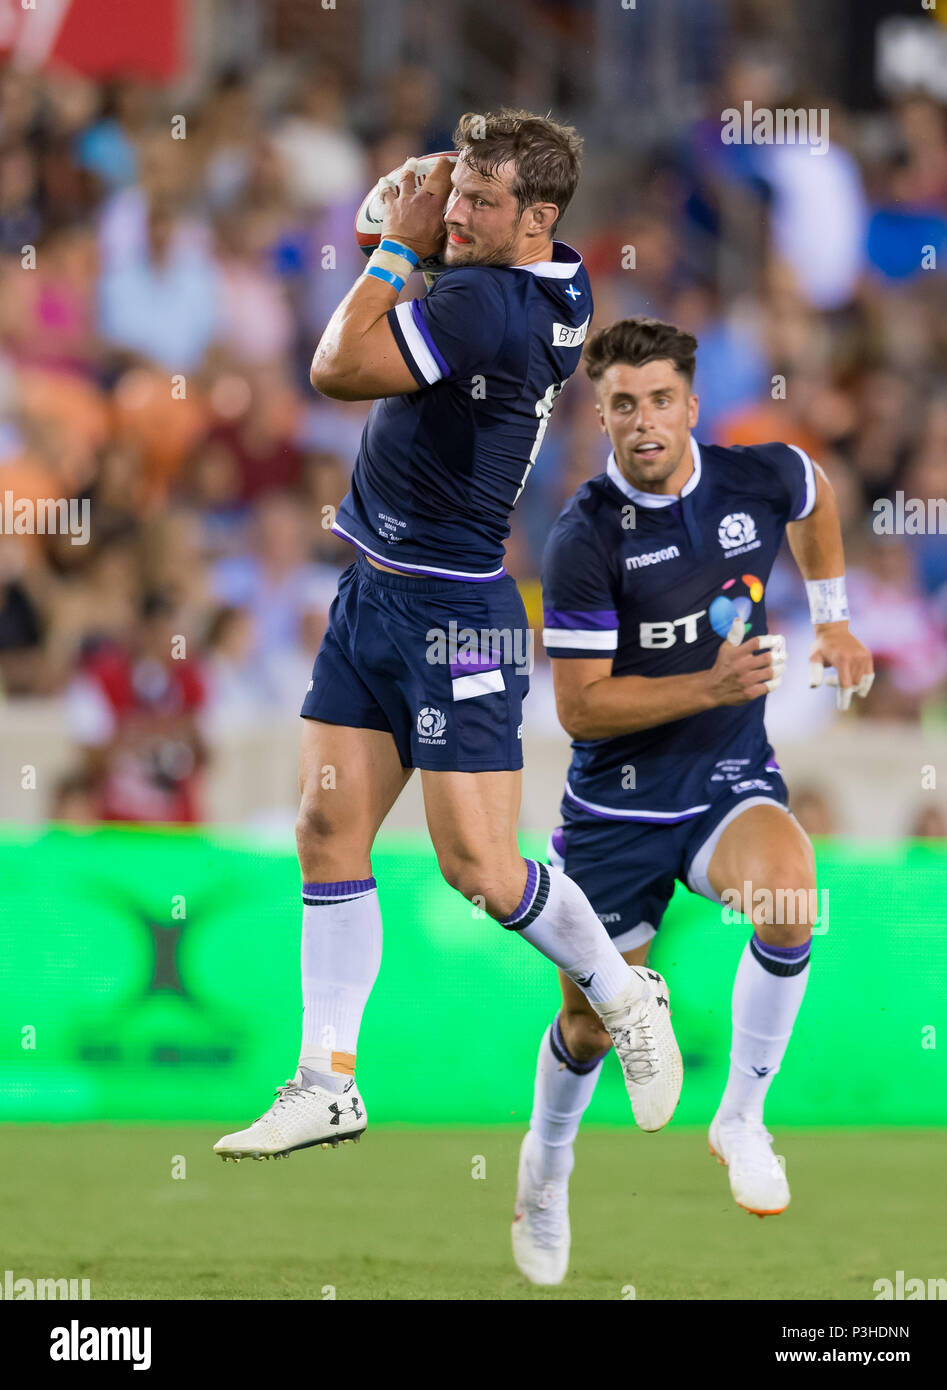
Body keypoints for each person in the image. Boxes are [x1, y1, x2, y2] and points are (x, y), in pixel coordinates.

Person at [214, 112, 683, 1163]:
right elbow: (445, 241)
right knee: (325, 831)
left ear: (541, 217)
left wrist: (391, 244)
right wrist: (431, 210)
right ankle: (325, 1081)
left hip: (456, 614)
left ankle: (623, 986)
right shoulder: (561, 279)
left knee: (477, 862)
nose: (459, 216)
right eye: (460, 194)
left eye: (481, 202)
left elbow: (335, 367)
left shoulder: (480, 303)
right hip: (376, 588)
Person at [511, 316, 874, 1285]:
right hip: (616, 809)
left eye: (660, 399)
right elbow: (583, 709)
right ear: (601, 412)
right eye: (623, 403)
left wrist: (835, 622)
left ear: (691, 404)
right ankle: (546, 1171)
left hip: (725, 782)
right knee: (588, 1029)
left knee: (792, 897)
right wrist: (711, 687)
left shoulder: (753, 479)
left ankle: (744, 1119)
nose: (644, 420)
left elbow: (817, 490)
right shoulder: (584, 535)